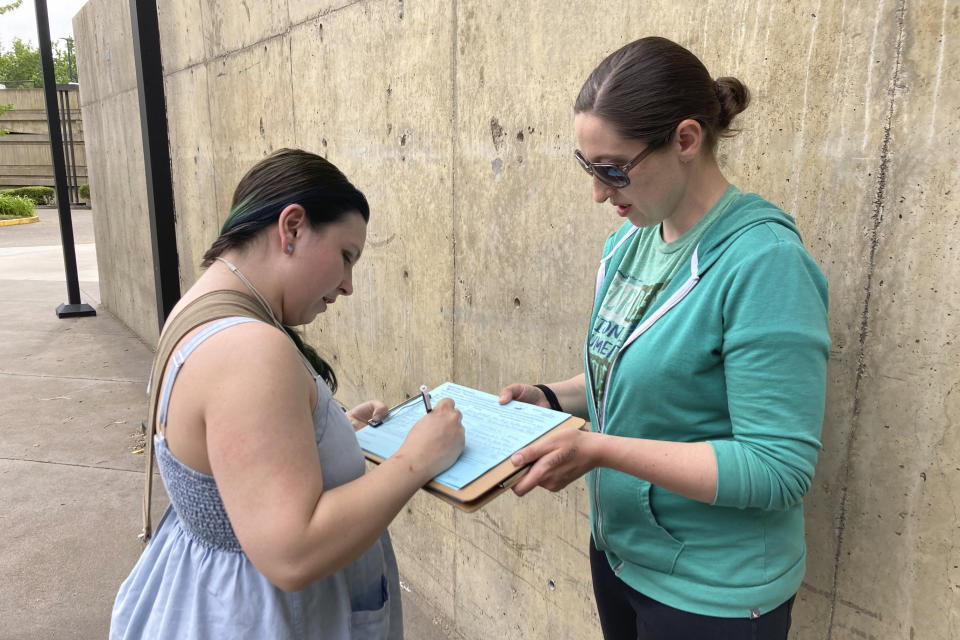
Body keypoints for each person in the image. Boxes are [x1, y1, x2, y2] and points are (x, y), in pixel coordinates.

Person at [499, 37, 829, 639]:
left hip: (712, 595)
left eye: (614, 169)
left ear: (685, 139)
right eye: (587, 167)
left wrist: (598, 449)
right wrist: (550, 398)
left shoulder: (765, 264)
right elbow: (635, 375)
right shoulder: (630, 242)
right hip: (624, 558)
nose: (600, 193)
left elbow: (778, 467)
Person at [110, 148, 465, 639]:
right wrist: (418, 459)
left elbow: (239, 462)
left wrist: (334, 431)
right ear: (292, 227)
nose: (347, 286)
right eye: (346, 256)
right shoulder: (249, 349)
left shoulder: (201, 310)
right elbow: (292, 552)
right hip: (265, 617)